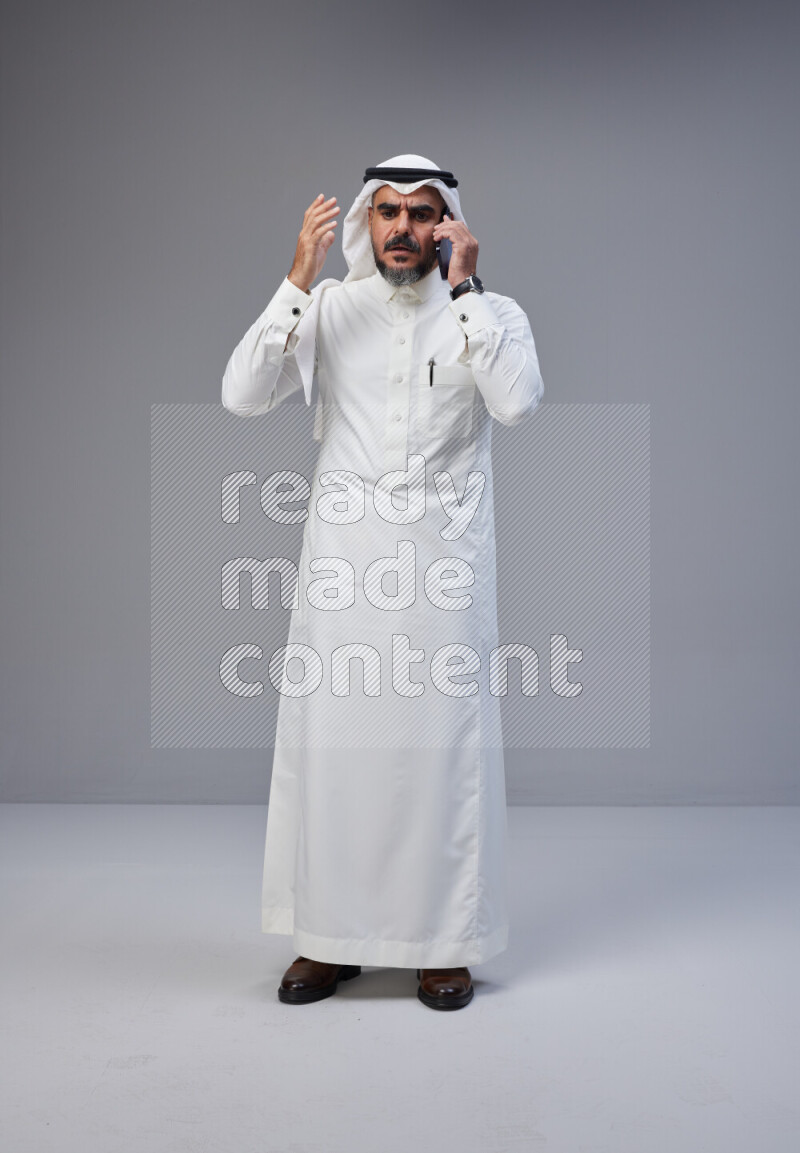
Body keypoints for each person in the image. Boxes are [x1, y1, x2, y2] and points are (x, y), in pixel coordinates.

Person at [221, 154, 544, 1010]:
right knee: (337, 753)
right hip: (344, 565)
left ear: (450, 224)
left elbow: (517, 404)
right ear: (368, 221)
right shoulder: (330, 309)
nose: (404, 228)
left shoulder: (491, 312)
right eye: (388, 212)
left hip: (444, 566)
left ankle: (446, 943)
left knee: (439, 754)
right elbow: (241, 394)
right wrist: (296, 276)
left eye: (422, 213)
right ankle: (329, 940)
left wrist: (469, 293)